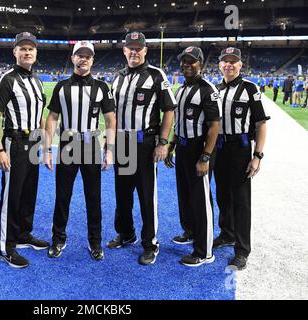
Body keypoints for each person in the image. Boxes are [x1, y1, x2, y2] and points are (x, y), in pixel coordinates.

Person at [43, 41, 116, 261]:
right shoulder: (61, 86)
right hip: (67, 143)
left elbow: (111, 120)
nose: (83, 59)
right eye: (79, 55)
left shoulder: (102, 87)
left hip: (92, 144)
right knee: (62, 196)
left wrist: (110, 150)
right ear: (73, 58)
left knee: (93, 197)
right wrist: (47, 149)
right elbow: (52, 118)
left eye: (87, 56)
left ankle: (95, 242)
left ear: (92, 60)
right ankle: (58, 239)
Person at [108, 32, 176, 265]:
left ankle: (150, 243)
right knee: (122, 193)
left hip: (145, 143)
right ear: (124, 51)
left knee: (147, 196)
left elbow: (169, 110)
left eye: (139, 48)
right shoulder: (117, 77)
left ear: (145, 50)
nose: (134, 52)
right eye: (131, 48)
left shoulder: (157, 75)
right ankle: (126, 233)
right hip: (122, 143)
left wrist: (163, 142)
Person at [0, 32, 49, 269]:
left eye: (31, 49)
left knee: (28, 193)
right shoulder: (7, 79)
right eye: (22, 48)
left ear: (36, 53)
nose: (27, 52)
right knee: (11, 196)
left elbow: (40, 116)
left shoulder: (36, 80)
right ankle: (6, 247)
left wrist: (45, 144)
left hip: (33, 142)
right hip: (14, 142)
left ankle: (24, 234)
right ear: (14, 52)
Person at [213, 47, 269, 270]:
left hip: (239, 149)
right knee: (222, 195)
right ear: (219, 65)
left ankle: (242, 249)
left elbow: (261, 124)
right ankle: (227, 234)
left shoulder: (249, 88)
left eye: (233, 62)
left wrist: (257, 156)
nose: (229, 65)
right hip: (220, 148)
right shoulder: (216, 89)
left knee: (241, 201)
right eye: (225, 61)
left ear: (240, 65)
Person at [165, 46, 221, 267]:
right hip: (183, 148)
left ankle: (204, 251)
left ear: (201, 63)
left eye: (192, 61)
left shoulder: (207, 89)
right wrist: (171, 146)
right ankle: (190, 231)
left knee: (201, 199)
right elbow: (180, 123)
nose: (187, 64)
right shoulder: (180, 89)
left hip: (200, 149)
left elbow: (214, 126)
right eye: (184, 61)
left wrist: (206, 156)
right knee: (185, 195)